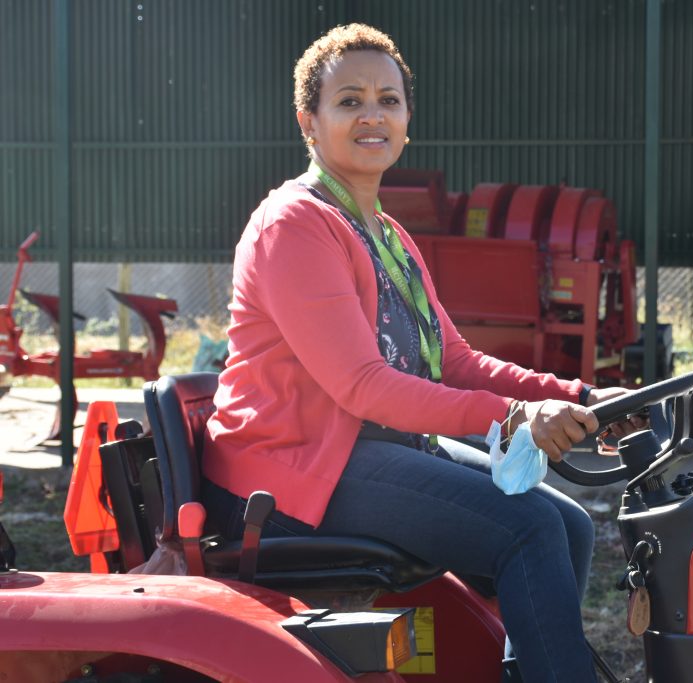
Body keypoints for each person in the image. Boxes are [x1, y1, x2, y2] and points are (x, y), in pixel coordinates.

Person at [201, 23, 639, 683]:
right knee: (530, 526)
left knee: (568, 524)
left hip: (361, 450)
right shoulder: (295, 225)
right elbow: (365, 387)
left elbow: (455, 361)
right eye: (349, 100)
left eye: (389, 99)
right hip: (291, 470)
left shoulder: (385, 235)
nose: (372, 114)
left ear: (408, 117)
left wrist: (575, 396)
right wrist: (517, 417)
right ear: (309, 122)